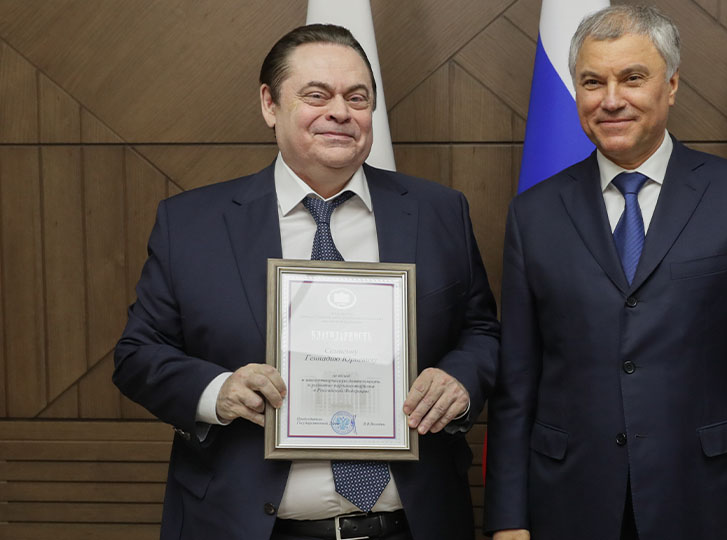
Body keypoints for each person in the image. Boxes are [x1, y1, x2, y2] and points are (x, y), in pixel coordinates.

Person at [114, 24, 499, 540]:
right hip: (246, 526)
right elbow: (138, 354)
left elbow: (481, 331)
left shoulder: (439, 212)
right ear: (270, 104)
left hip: (414, 524)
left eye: (357, 97)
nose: (340, 112)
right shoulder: (191, 224)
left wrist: (460, 380)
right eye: (316, 95)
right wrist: (217, 392)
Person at [483, 6, 727, 540]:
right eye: (593, 82)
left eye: (632, 78)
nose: (611, 99)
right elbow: (516, 384)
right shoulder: (533, 214)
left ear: (672, 85)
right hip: (570, 502)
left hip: (709, 497)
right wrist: (507, 519)